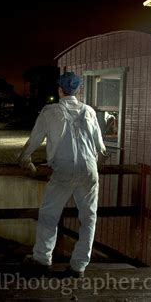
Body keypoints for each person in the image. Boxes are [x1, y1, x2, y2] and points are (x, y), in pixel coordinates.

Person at [18, 72, 106, 278]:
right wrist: (93, 169)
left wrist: (25, 160)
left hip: (63, 171)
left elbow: (33, 141)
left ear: (59, 90)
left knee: (49, 215)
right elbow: (101, 149)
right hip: (89, 170)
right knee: (89, 218)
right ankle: (79, 267)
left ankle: (42, 259)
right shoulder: (89, 112)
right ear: (78, 90)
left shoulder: (50, 112)